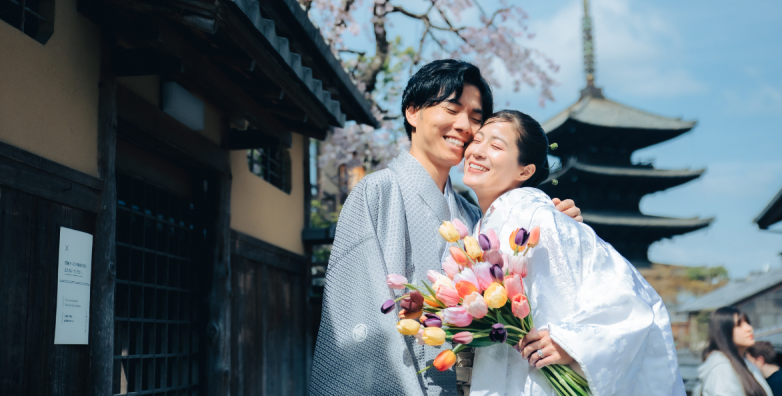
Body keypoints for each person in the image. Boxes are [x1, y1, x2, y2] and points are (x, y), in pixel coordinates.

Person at [309, 61, 582, 396]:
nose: (464, 126)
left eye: (476, 118)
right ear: (412, 112)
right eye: (451, 110)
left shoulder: (474, 215)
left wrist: (554, 232)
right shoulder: (378, 192)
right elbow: (359, 316)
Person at [462, 110, 685, 395]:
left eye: (495, 146)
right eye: (476, 140)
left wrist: (571, 342)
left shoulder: (542, 220)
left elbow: (629, 303)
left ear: (525, 171)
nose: (477, 151)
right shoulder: (478, 228)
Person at [694, 306, 772, 396]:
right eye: (739, 325)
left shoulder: (745, 363)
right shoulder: (721, 367)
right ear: (724, 331)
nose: (749, 328)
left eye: (747, 322)